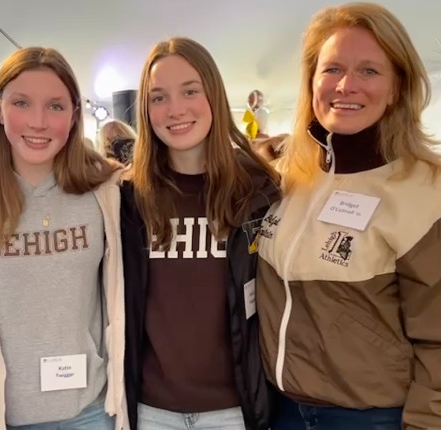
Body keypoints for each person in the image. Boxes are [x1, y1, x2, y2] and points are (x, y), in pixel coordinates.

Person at [256, 3, 441, 429]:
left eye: (369, 71)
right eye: (332, 69)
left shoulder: (438, 200)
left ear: (397, 87)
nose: (346, 86)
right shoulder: (282, 181)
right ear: (312, 82)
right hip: (277, 412)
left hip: (373, 420)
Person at [0, 46, 129, 430]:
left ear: (74, 115)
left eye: (55, 106)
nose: (38, 122)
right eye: (21, 103)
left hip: (90, 411)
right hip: (3, 415)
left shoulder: (105, 192)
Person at [120, 37, 279, 430]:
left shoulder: (259, 191)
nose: (175, 110)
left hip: (233, 409)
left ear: (213, 94)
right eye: (158, 97)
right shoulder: (127, 198)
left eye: (190, 91)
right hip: (151, 409)